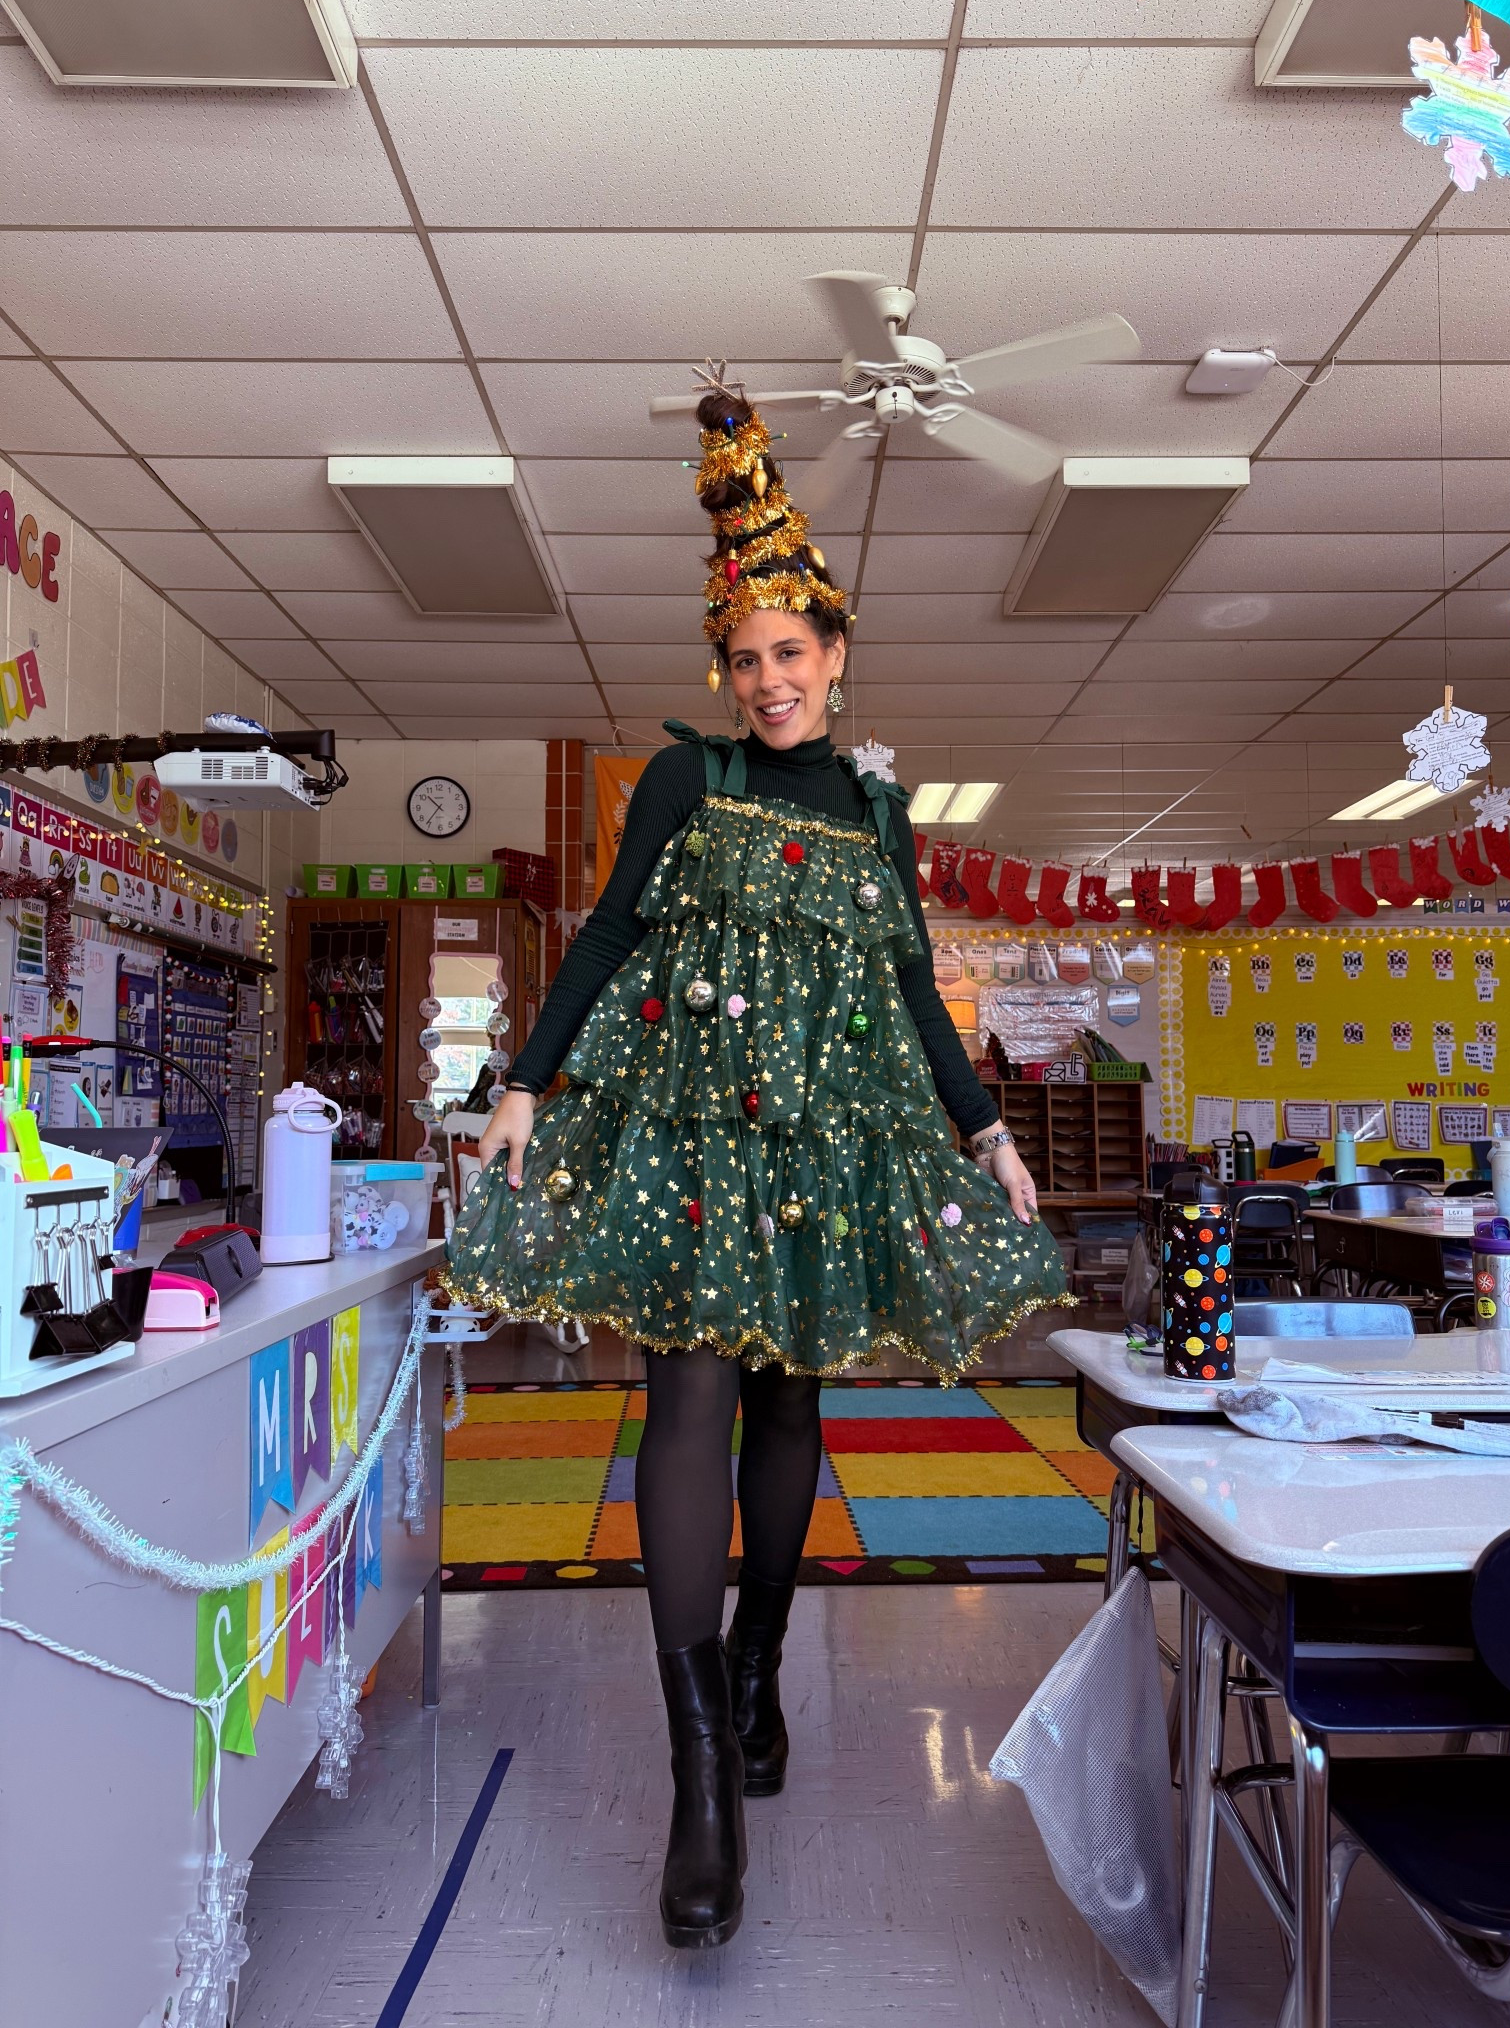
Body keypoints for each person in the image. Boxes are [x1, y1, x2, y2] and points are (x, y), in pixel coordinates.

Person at [444, 378, 1069, 1951]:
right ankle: (701, 1778)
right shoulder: (684, 781)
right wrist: (527, 1083)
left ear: (837, 656)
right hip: (692, 1139)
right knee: (691, 1403)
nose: (771, 679)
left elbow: (917, 985)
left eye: (794, 654)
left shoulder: (876, 811)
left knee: (795, 1400)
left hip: (831, 1144)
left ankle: (762, 1660)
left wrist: (985, 1131)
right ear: (722, 669)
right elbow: (604, 939)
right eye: (746, 658)